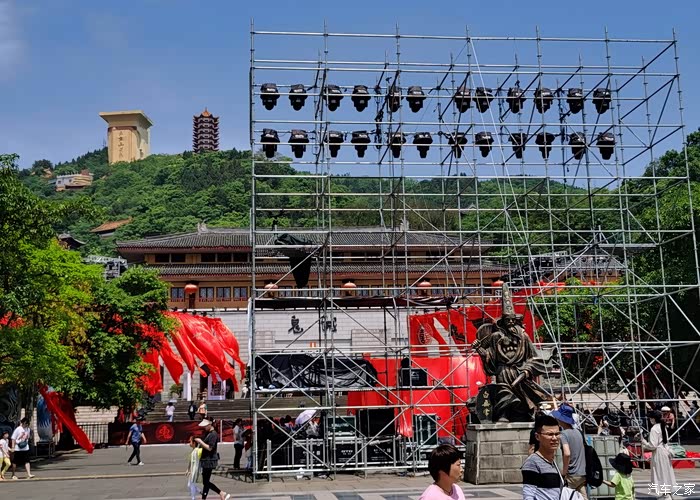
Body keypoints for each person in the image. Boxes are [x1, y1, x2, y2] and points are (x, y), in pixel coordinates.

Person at [521, 415, 563, 500]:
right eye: (550, 434)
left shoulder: (552, 461)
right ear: (537, 437)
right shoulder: (532, 462)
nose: (554, 438)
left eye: (557, 434)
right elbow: (528, 496)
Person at [552, 403, 587, 499]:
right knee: (583, 497)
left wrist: (564, 472)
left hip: (571, 474)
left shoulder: (563, 434)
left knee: (566, 496)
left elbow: (567, 453)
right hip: (582, 473)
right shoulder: (578, 432)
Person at [641, 410, 677, 499]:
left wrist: (644, 442)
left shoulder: (654, 429)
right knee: (666, 472)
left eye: (650, 418)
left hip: (659, 453)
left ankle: (666, 495)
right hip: (665, 451)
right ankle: (668, 493)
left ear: (653, 419)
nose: (650, 420)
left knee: (660, 473)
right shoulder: (662, 426)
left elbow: (653, 445)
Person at [194, 419, 230, 500]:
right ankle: (205, 497)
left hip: (209, 460)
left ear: (209, 425)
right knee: (205, 481)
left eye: (205, 426)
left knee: (206, 481)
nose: (204, 428)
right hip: (206, 459)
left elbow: (210, 448)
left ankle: (221, 492)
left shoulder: (213, 434)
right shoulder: (208, 433)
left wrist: (200, 442)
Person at [185, 435, 202, 500]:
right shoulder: (192, 451)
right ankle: (200, 491)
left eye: (190, 441)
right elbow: (190, 461)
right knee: (189, 485)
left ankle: (193, 498)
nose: (189, 443)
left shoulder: (198, 450)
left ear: (194, 443)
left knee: (192, 485)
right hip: (192, 471)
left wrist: (200, 442)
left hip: (195, 470)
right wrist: (188, 469)